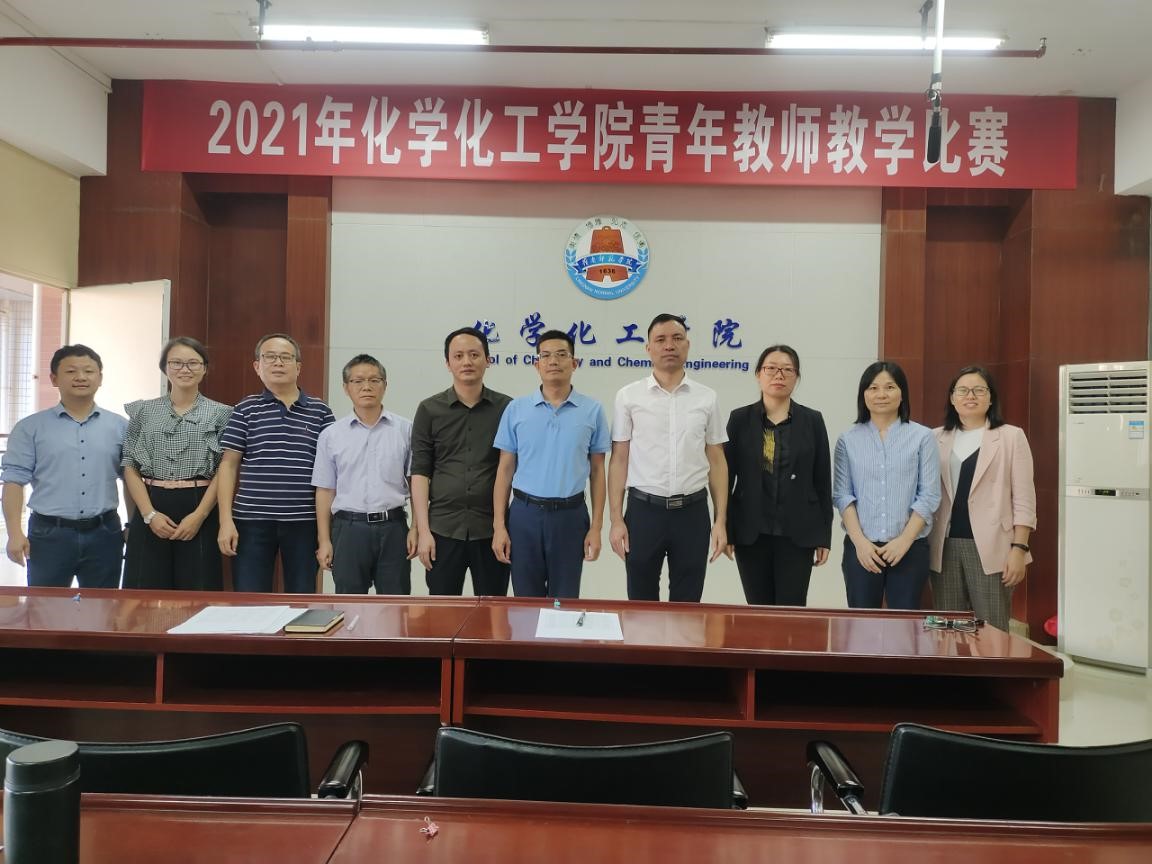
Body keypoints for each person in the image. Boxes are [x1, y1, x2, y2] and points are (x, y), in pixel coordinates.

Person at [608, 313, 729, 603]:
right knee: (641, 604)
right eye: (660, 340)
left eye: (677, 338)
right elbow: (619, 459)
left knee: (688, 605)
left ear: (687, 345)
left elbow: (717, 461)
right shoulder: (628, 396)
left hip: (692, 514)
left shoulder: (707, 398)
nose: (669, 345)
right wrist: (615, 519)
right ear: (648, 348)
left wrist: (720, 520)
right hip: (643, 512)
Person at [492, 329, 609, 598]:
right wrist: (499, 526)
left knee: (564, 602)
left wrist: (596, 527)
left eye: (561, 355)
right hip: (524, 516)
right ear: (537, 364)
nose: (553, 361)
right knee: (525, 600)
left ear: (574, 363)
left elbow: (597, 471)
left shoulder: (592, 410)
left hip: (570, 516)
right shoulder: (516, 409)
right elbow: (504, 470)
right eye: (545, 355)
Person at [2, 344, 128, 588]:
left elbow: (130, 479)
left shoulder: (120, 427)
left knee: (103, 606)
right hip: (49, 534)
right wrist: (14, 533)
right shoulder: (30, 428)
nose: (81, 377)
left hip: (105, 533)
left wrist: (132, 525)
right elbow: (14, 481)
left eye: (88, 371)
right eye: (71, 371)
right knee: (45, 606)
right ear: (54, 379)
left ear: (100, 378)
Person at [216, 333, 334, 593]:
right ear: (257, 366)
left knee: (302, 599)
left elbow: (331, 473)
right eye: (269, 357)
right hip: (251, 521)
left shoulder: (321, 412)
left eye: (285, 357)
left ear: (298, 367)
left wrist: (325, 533)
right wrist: (226, 521)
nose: (278, 363)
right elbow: (228, 465)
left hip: (304, 522)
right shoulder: (245, 409)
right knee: (250, 600)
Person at [928, 366, 1036, 631]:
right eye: (963, 390)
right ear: (952, 398)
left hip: (993, 547)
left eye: (979, 390)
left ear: (990, 398)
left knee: (992, 629)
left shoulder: (1011, 436)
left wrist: (1019, 549)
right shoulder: (934, 437)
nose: (970, 396)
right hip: (944, 546)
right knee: (948, 630)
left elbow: (1024, 499)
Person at [724, 345, 832, 606]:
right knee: (757, 607)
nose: (778, 375)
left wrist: (823, 536)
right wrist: (726, 529)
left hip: (798, 533)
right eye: (771, 368)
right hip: (751, 532)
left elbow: (822, 481)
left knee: (792, 610)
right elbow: (725, 478)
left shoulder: (812, 420)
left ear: (796, 377)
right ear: (758, 375)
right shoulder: (739, 419)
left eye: (787, 370)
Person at [121, 337, 232, 590]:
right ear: (165, 367)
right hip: (151, 504)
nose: (185, 369)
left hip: (200, 504)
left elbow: (223, 470)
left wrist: (199, 515)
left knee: (199, 590)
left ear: (204, 368)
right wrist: (148, 514)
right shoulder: (143, 411)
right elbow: (129, 465)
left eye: (193, 363)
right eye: (176, 363)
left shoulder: (222, 413)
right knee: (144, 590)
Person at [411, 327, 512, 596]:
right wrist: (423, 531)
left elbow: (511, 469)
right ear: (448, 363)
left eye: (474, 355)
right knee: (443, 612)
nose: (467, 361)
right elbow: (420, 473)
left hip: (491, 531)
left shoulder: (507, 408)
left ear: (488, 360)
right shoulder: (429, 409)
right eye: (458, 356)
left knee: (492, 611)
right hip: (442, 530)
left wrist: (502, 527)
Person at [833, 361, 940, 609]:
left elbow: (929, 495)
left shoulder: (922, 437)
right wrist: (860, 543)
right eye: (873, 388)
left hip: (909, 548)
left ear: (902, 394)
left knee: (903, 625)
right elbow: (842, 495)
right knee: (861, 623)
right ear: (864, 395)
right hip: (862, 549)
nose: (881, 394)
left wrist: (904, 541)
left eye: (890, 387)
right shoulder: (848, 440)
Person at [313, 354, 416, 594]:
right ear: (346, 388)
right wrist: (324, 540)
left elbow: (416, 483)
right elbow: (325, 490)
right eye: (358, 381)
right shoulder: (331, 435)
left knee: (395, 605)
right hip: (348, 530)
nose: (366, 387)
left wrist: (416, 529)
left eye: (374, 380)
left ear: (385, 385)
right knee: (349, 605)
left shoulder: (405, 430)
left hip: (394, 528)